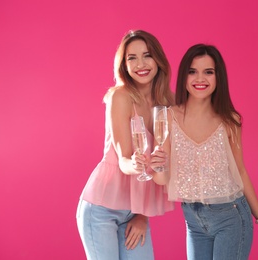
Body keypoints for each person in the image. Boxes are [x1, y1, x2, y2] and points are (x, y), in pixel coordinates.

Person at [151, 44, 258, 259]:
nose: (199, 79)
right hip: (193, 220)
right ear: (184, 75)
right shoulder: (167, 118)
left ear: (218, 77)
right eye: (192, 71)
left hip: (231, 216)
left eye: (208, 72)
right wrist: (158, 165)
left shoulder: (230, 121)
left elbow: (240, 172)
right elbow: (161, 179)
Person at [76, 29, 175, 260]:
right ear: (124, 65)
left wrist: (142, 215)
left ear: (158, 60)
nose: (141, 63)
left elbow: (163, 170)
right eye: (132, 57)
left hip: (134, 212)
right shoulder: (120, 96)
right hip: (101, 208)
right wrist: (136, 164)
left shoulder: (167, 104)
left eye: (147, 55)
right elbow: (123, 160)